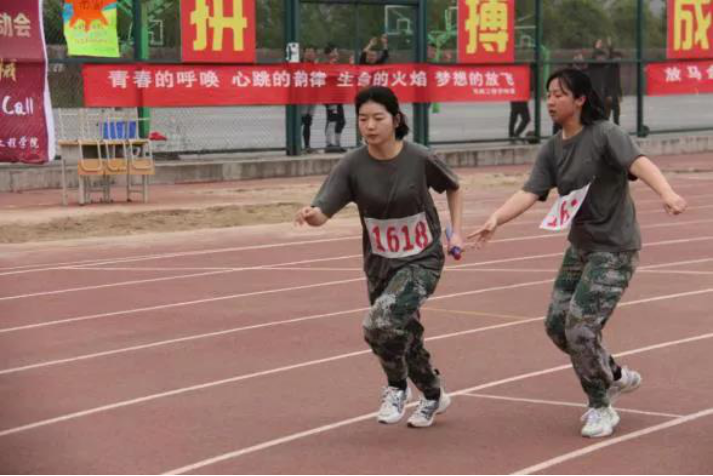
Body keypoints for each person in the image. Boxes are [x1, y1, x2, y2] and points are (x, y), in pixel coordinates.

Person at [468, 68, 687, 439]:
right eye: (548, 95)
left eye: (559, 94)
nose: (551, 101)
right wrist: (496, 219)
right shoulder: (553, 149)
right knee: (557, 326)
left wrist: (666, 192)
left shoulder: (605, 134)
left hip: (615, 249)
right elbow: (530, 191)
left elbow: (639, 162)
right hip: (581, 248)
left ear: (580, 99)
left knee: (580, 327)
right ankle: (614, 374)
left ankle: (600, 405)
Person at [295, 86, 464, 429]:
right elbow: (323, 212)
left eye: (377, 118)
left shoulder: (419, 158)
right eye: (362, 119)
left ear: (396, 120)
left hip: (422, 260)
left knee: (378, 323)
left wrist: (456, 232)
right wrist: (311, 216)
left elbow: (453, 185)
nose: (369, 126)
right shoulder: (352, 165)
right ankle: (433, 393)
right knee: (403, 333)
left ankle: (396, 387)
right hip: (380, 264)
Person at [324, 44, 347, 153]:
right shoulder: (325, 66)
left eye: (336, 52)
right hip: (330, 98)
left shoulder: (338, 66)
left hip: (338, 97)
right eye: (333, 52)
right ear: (328, 54)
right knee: (332, 120)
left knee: (341, 121)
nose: (336, 54)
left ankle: (337, 143)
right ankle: (329, 144)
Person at [300, 46, 318, 154]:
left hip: (312, 98)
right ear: (303, 53)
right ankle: (296, 145)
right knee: (300, 121)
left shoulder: (317, 67)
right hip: (302, 98)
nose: (310, 54)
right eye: (307, 52)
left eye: (312, 52)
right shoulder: (299, 66)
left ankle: (307, 146)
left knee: (308, 122)